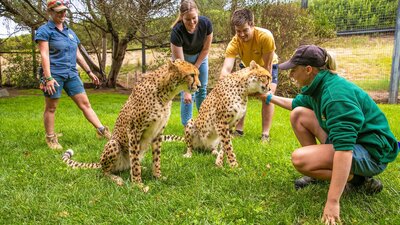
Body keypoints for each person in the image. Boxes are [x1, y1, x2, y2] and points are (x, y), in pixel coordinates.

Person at [265, 44, 399, 224]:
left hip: (373, 153)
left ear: (308, 69)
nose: (291, 75)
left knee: (300, 159)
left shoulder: (335, 96)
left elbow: (344, 150)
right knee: (299, 114)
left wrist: (332, 202)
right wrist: (266, 97)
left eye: (293, 70)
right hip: (356, 143)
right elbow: (296, 103)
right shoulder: (318, 85)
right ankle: (322, 172)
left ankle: (358, 179)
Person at [35, 0, 111, 150]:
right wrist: (48, 77)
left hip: (71, 74)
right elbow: (44, 55)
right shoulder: (45, 31)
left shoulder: (70, 32)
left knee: (85, 104)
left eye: (64, 11)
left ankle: (102, 130)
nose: (63, 14)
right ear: (50, 12)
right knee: (51, 107)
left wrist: (89, 72)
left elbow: (77, 54)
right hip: (54, 75)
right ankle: (50, 138)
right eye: (59, 11)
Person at [220, 8, 278, 142]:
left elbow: (267, 66)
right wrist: (225, 83)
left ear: (252, 24)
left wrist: (264, 87)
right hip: (248, 68)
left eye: (245, 30)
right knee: (241, 94)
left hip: (267, 67)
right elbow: (226, 69)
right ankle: (239, 130)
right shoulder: (234, 42)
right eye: (237, 31)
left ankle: (265, 134)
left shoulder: (265, 36)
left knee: (267, 97)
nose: (241, 34)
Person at [170, 0, 213, 126]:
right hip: (183, 60)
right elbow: (181, 64)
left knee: (202, 89)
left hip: (201, 57)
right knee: (188, 93)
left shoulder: (206, 24)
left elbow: (206, 49)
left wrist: (196, 67)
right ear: (182, 18)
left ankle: (204, 122)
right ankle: (187, 125)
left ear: (198, 14)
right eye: (187, 19)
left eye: (194, 18)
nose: (192, 22)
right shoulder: (176, 32)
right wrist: (186, 90)